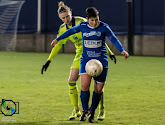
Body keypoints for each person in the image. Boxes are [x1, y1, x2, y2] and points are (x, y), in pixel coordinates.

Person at [51, 7, 129, 123]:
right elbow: (70, 32)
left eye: (96, 19)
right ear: (87, 19)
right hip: (86, 61)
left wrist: (122, 50)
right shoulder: (82, 26)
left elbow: (113, 38)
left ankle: (92, 111)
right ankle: (84, 111)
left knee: (98, 89)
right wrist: (57, 39)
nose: (95, 23)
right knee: (84, 86)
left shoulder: (104, 27)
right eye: (92, 20)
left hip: (101, 62)